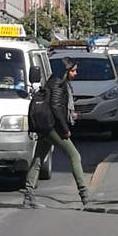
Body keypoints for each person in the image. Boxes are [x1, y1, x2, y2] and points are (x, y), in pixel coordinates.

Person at [23, 57, 89, 209]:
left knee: (38, 159)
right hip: (53, 127)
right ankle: (84, 195)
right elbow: (56, 108)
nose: (76, 73)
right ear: (65, 71)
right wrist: (65, 129)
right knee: (74, 155)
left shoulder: (52, 82)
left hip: (45, 126)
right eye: (73, 71)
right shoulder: (59, 84)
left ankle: (28, 195)